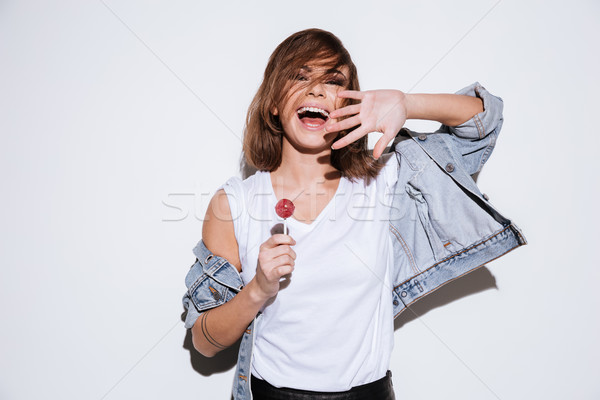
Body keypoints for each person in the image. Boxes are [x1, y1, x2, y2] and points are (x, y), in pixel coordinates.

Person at [182, 28, 526, 400]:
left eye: (333, 81)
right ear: (274, 104)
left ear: (349, 106)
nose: (316, 90)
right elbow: (204, 341)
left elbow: (484, 123)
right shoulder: (232, 204)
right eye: (300, 76)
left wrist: (406, 104)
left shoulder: (386, 182)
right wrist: (258, 290)